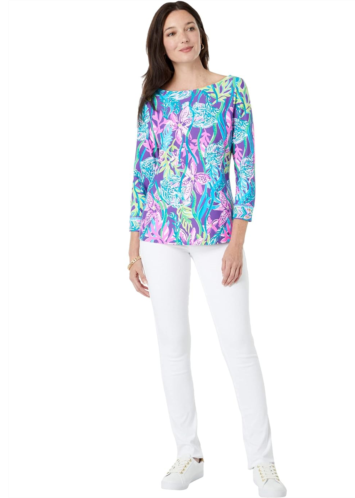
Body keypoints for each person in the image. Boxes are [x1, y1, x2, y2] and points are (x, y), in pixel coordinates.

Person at [127, 2, 286, 496]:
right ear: (161, 44)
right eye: (171, 32)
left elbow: (247, 168)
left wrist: (238, 241)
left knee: (238, 346)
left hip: (218, 236)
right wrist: (133, 249)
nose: (183, 38)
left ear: (200, 34)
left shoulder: (231, 89)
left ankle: (263, 464)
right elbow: (142, 174)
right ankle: (188, 454)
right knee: (172, 346)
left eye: (189, 28)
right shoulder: (154, 101)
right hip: (160, 235)